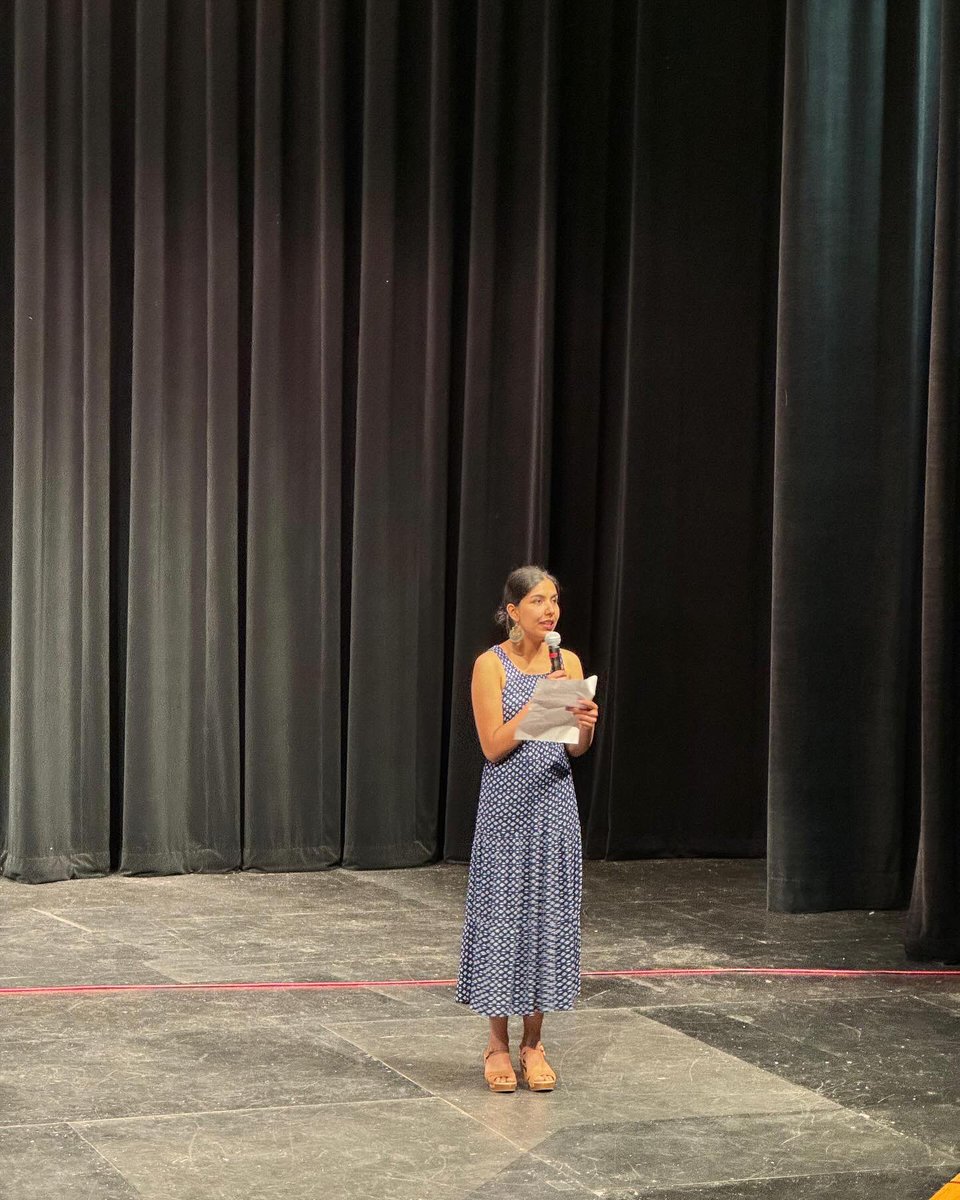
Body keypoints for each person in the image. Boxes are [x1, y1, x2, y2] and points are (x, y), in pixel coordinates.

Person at [455, 565, 600, 1092]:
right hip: (506, 811)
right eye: (537, 601)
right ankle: (496, 1044)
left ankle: (533, 1043)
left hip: (554, 806)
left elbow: (572, 749)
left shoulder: (569, 662)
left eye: (554, 600)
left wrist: (581, 727)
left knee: (546, 919)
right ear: (513, 611)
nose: (549, 610)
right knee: (503, 919)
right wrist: (541, 701)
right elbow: (493, 746)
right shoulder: (490, 666)